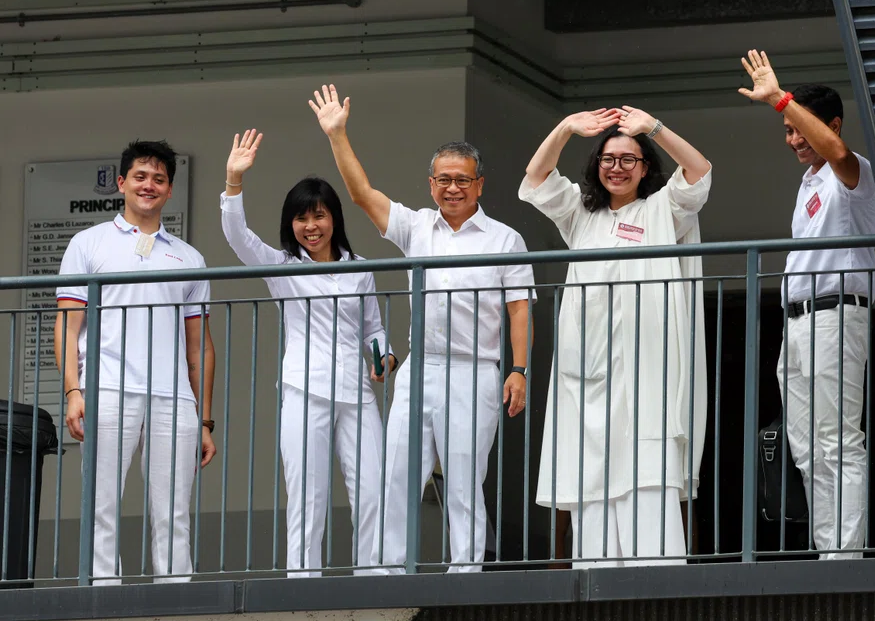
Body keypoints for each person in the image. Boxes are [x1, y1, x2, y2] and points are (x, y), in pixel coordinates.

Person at [309, 84, 536, 573]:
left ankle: (467, 573)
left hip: (477, 370)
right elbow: (361, 194)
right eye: (443, 180)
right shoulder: (417, 227)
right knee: (399, 474)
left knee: (462, 479)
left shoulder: (505, 238)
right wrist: (337, 135)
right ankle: (388, 573)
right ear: (430, 184)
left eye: (462, 180)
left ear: (480, 184)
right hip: (420, 367)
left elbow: (520, 310)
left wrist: (517, 369)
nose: (452, 188)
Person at [520, 106, 712, 567]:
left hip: (644, 374)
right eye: (608, 159)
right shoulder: (580, 216)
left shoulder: (663, 209)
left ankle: (657, 580)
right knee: (591, 477)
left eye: (629, 159)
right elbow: (537, 175)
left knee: (648, 473)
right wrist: (565, 127)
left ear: (645, 169)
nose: (617, 168)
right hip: (586, 376)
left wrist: (655, 129)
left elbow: (699, 171)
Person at [220, 129, 397, 576]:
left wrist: (385, 358)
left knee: (373, 489)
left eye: (318, 216)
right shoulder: (283, 267)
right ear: (291, 223)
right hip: (305, 391)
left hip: (357, 395)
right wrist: (233, 182)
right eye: (301, 218)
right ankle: (303, 579)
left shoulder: (360, 269)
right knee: (307, 493)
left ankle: (374, 576)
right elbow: (238, 237)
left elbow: (373, 328)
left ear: (334, 218)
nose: (310, 226)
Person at [54, 140, 216, 584]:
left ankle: (175, 600)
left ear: (169, 191)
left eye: (159, 179)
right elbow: (67, 326)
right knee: (101, 506)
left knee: (173, 511)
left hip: (174, 396)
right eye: (140, 176)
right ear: (122, 183)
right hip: (106, 388)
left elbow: (199, 346)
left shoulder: (189, 257)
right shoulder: (88, 243)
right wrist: (72, 391)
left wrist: (204, 420)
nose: (149, 185)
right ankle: (102, 599)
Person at [739, 49, 875, 559]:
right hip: (797, 323)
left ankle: (845, 557)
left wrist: (780, 99)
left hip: (838, 312)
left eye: (801, 128)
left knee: (837, 440)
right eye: (788, 129)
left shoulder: (853, 172)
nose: (792, 139)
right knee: (805, 449)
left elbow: (838, 153)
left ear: (832, 125)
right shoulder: (807, 184)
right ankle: (828, 555)